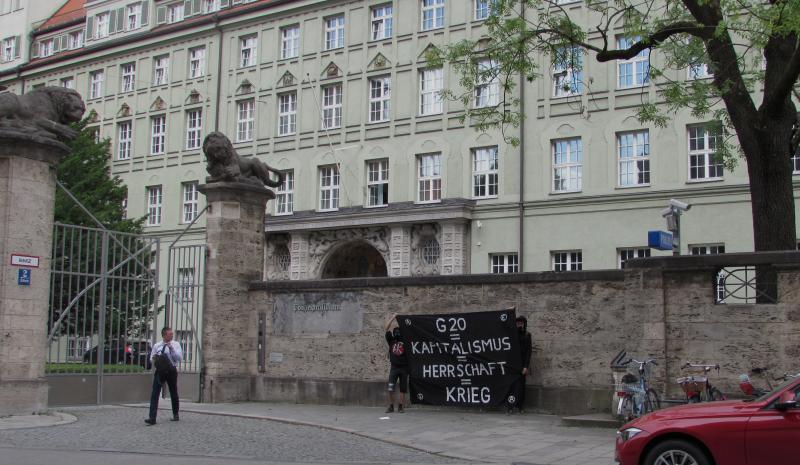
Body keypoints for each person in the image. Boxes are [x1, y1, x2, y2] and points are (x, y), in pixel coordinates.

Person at [145, 326, 183, 425]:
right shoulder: (157, 345)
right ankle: (152, 417)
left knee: (173, 392)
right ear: (164, 335)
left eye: (172, 334)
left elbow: (179, 358)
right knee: (155, 393)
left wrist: (172, 349)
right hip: (160, 371)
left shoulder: (176, 344)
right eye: (170, 334)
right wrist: (155, 358)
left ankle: (176, 414)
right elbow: (151, 358)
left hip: (171, 370)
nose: (172, 335)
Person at [508, 315, 533, 414]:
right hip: (513, 365)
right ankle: (510, 406)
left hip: (522, 365)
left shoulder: (527, 335)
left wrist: (526, 366)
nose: (519, 324)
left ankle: (520, 406)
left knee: (521, 386)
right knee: (512, 386)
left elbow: (528, 351)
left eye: (521, 323)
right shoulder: (512, 334)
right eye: (517, 323)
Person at [384, 313, 408, 413]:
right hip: (394, 367)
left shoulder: (406, 340)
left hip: (404, 367)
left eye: (399, 331)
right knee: (390, 387)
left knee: (403, 388)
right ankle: (391, 406)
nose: (397, 333)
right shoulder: (391, 340)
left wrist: (402, 320)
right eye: (396, 331)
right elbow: (386, 328)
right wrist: (393, 317)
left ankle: (401, 406)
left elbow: (408, 329)